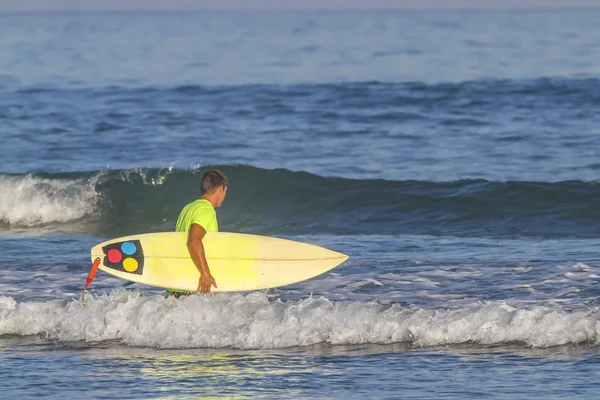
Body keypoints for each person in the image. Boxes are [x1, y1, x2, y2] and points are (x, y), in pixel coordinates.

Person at [169, 169, 228, 296]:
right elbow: (194, 240)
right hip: (193, 287)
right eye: (225, 191)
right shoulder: (206, 210)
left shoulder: (188, 208)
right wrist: (206, 274)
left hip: (177, 286)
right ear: (220, 189)